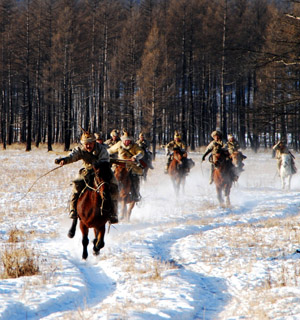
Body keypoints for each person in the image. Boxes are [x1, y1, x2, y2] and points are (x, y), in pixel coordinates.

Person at [54, 129, 119, 225]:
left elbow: (104, 161)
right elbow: (73, 156)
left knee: (114, 185)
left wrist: (95, 165)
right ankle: (73, 209)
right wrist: (64, 160)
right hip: (87, 171)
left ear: (94, 142)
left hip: (102, 171)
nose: (88, 146)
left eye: (90, 143)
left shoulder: (102, 149)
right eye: (86, 144)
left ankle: (113, 213)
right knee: (76, 185)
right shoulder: (80, 149)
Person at [108, 130, 144, 202]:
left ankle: (135, 194)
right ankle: (109, 194)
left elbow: (141, 152)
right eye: (125, 140)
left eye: (128, 140)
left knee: (135, 179)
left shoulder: (134, 146)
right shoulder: (119, 144)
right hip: (119, 165)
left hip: (131, 166)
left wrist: (136, 157)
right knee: (110, 176)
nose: (127, 142)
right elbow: (110, 150)